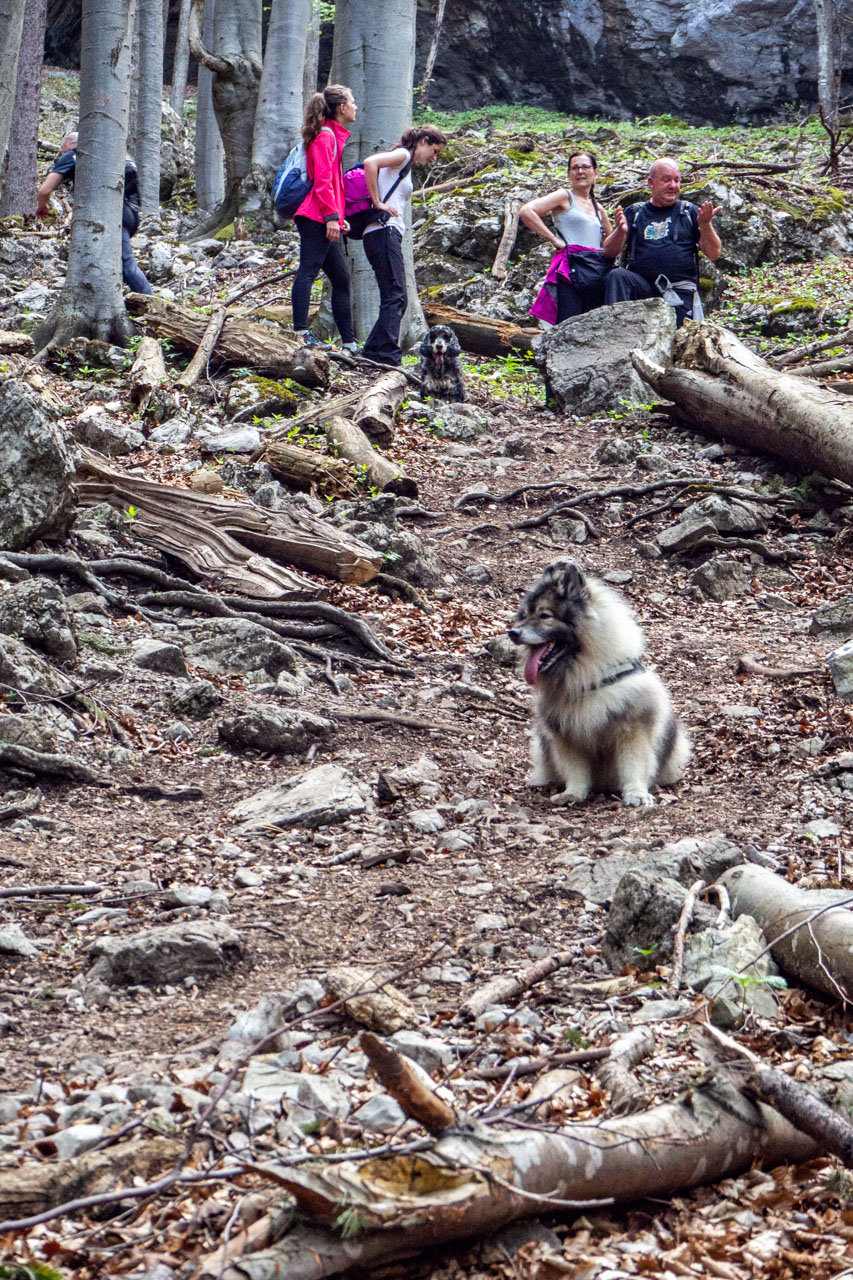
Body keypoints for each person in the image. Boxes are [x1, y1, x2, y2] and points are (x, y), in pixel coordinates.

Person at [360, 126, 447, 367]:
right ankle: (387, 356)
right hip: (383, 231)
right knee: (396, 295)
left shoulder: (406, 163)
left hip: (385, 233)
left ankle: (373, 351)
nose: (434, 157)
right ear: (424, 141)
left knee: (395, 295)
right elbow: (370, 162)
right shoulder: (404, 155)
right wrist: (378, 202)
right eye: (435, 150)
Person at [603, 157, 722, 326]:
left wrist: (705, 225)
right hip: (643, 289)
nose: (673, 185)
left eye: (677, 180)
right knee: (617, 276)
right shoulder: (636, 213)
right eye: (666, 180)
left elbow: (714, 253)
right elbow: (608, 252)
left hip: (679, 294)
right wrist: (620, 233)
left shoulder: (689, 213)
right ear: (651, 183)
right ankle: (613, 331)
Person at [36, 132, 153, 295]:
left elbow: (44, 190)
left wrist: (42, 207)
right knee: (95, 259)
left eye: (64, 148)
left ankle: (152, 305)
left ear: (66, 145)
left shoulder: (75, 155)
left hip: (112, 214)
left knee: (126, 266)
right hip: (131, 214)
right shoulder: (115, 153)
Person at [292, 85, 359, 353]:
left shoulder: (332, 137)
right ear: (342, 107)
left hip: (325, 217)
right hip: (315, 217)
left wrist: (338, 217)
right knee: (308, 271)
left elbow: (333, 183)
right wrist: (332, 216)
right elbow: (322, 183)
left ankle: (351, 344)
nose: (355, 107)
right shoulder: (326, 137)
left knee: (341, 279)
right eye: (352, 102)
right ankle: (301, 333)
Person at [522, 150, 623, 325]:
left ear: (595, 172)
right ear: (569, 174)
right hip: (570, 268)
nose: (580, 172)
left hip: (594, 269)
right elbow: (526, 211)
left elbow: (609, 244)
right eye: (575, 168)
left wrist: (622, 229)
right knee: (568, 321)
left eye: (585, 167)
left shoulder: (598, 209)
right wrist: (553, 239)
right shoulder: (564, 196)